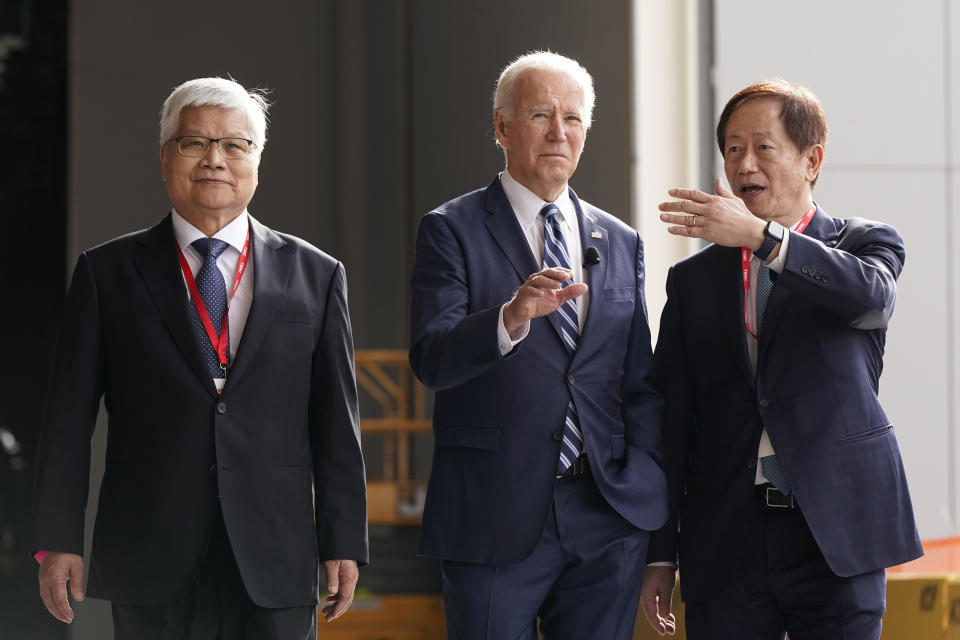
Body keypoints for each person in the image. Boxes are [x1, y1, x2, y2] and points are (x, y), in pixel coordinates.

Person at [31, 76, 368, 639]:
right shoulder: (107, 274)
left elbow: (339, 425)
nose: (215, 159)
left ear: (257, 160)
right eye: (195, 143)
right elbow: (66, 423)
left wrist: (344, 542)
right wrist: (56, 540)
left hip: (275, 556)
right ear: (165, 159)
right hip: (150, 553)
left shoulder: (317, 274)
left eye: (234, 144)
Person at [640, 79, 923, 639]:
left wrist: (763, 239)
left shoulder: (865, 246)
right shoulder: (692, 282)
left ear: (811, 160)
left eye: (763, 147)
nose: (745, 162)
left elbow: (870, 301)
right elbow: (670, 423)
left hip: (835, 534)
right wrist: (660, 554)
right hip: (727, 539)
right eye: (733, 148)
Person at [409, 51, 668, 640]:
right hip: (494, 512)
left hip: (607, 511)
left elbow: (638, 384)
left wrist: (646, 487)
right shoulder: (452, 229)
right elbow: (431, 356)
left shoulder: (621, 240)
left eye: (573, 119)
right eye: (540, 116)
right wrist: (510, 317)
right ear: (502, 127)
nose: (559, 132)